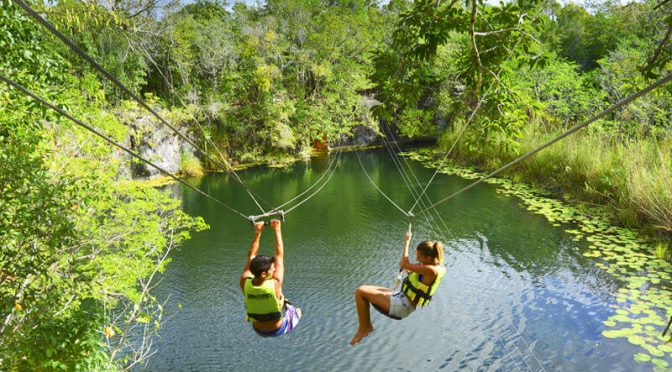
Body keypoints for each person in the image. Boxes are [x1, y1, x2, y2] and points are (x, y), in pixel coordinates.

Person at [349, 229, 445, 345]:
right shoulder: (436, 267)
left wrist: (407, 241)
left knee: (360, 292)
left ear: (428, 258)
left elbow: (404, 264)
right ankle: (367, 326)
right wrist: (411, 272)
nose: (417, 259)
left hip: (401, 307)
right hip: (402, 299)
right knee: (365, 288)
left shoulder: (431, 270)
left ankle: (363, 329)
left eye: (419, 257)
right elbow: (420, 280)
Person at [240, 219, 301, 337]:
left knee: (279, 300)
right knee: (297, 311)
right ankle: (289, 311)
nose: (273, 270)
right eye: (271, 269)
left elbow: (251, 256)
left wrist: (258, 232)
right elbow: (279, 255)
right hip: (278, 329)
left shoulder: (244, 281)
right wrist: (277, 230)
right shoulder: (275, 284)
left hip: (258, 329)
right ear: (263, 274)